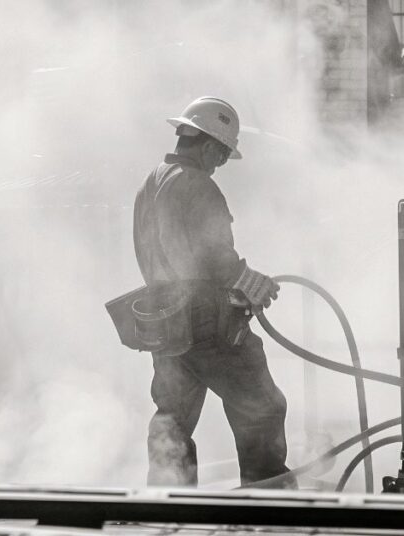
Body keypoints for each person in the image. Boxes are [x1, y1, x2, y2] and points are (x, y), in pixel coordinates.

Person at [132, 96, 292, 488]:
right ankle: (269, 503)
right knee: (263, 408)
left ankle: (170, 501)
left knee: (172, 420)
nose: (220, 165)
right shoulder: (198, 186)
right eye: (221, 154)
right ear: (206, 145)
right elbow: (213, 258)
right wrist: (250, 281)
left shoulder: (150, 183)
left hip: (166, 324)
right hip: (209, 326)